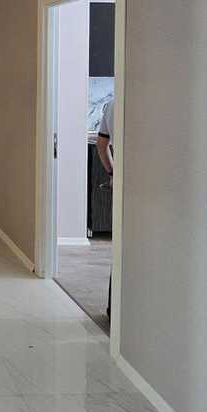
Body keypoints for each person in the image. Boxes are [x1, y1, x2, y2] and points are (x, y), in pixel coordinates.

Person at [96, 97, 114, 320]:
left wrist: (112, 172)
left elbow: (102, 146)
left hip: (123, 185)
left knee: (120, 250)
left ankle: (114, 308)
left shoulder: (112, 104)